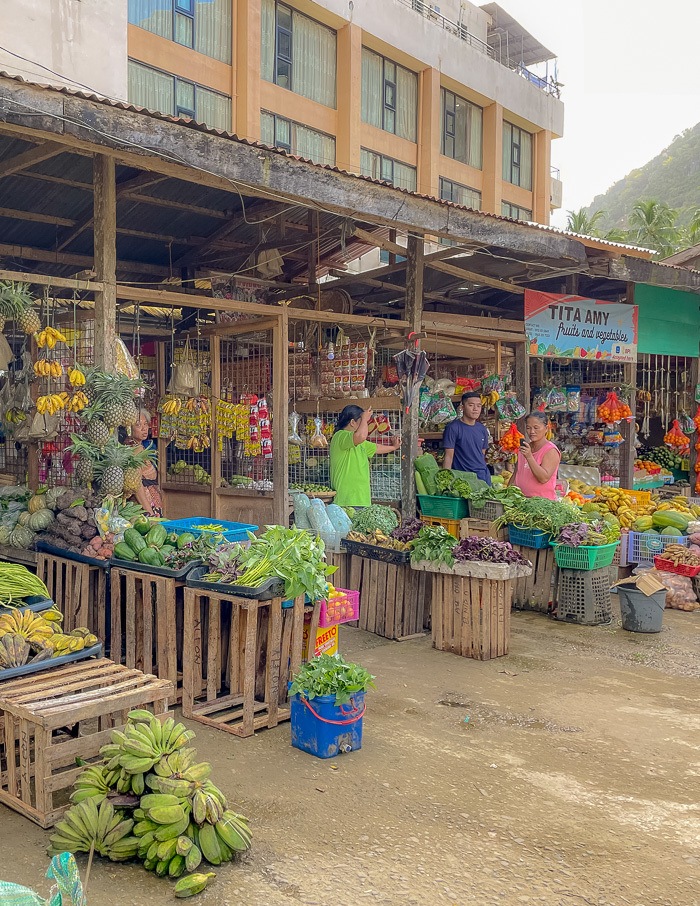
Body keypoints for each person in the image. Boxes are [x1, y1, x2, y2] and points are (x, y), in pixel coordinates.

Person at [329, 405, 401, 507]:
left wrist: (393, 447)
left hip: (362, 500)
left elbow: (376, 448)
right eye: (362, 422)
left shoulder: (359, 442)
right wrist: (364, 418)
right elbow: (361, 436)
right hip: (346, 500)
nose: (365, 425)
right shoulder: (340, 436)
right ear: (353, 422)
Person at [442, 392, 491, 485]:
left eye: (479, 406)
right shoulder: (453, 428)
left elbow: (482, 454)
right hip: (463, 478)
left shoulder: (482, 429)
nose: (475, 409)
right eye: (471, 405)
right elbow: (448, 456)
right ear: (463, 407)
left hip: (483, 476)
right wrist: (445, 479)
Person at [510, 411, 561, 500]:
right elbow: (516, 473)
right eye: (528, 428)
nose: (532, 431)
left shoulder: (551, 450)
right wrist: (507, 492)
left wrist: (529, 457)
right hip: (521, 500)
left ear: (546, 428)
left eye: (536, 428)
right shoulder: (525, 448)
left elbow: (543, 478)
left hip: (541, 504)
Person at [125, 409, 163, 516]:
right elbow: (137, 484)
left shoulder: (140, 446)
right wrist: (149, 512)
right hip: (144, 506)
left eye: (145, 424)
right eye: (138, 425)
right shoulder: (133, 449)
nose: (144, 428)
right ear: (129, 428)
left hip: (151, 500)